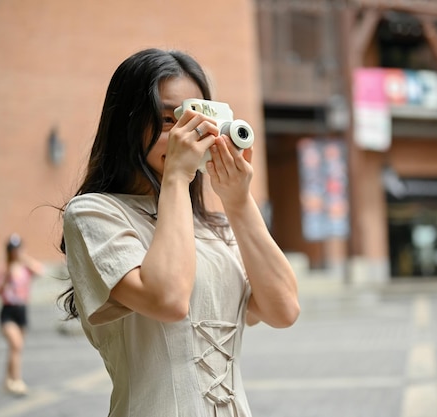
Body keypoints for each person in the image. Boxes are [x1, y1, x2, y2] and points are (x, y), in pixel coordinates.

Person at [58, 48, 300, 417]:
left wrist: (238, 202)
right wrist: (176, 179)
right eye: (169, 120)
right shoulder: (94, 213)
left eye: (198, 118)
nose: (187, 135)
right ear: (127, 124)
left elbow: (283, 310)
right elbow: (168, 300)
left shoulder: (217, 228)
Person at [0, 233, 44, 396]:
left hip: (22, 310)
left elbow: (40, 271)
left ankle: (8, 380)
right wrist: (5, 280)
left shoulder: (25, 267)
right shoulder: (3, 268)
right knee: (16, 345)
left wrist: (24, 258)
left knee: (15, 349)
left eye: (17, 249)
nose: (15, 252)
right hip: (8, 310)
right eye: (12, 249)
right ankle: (17, 381)